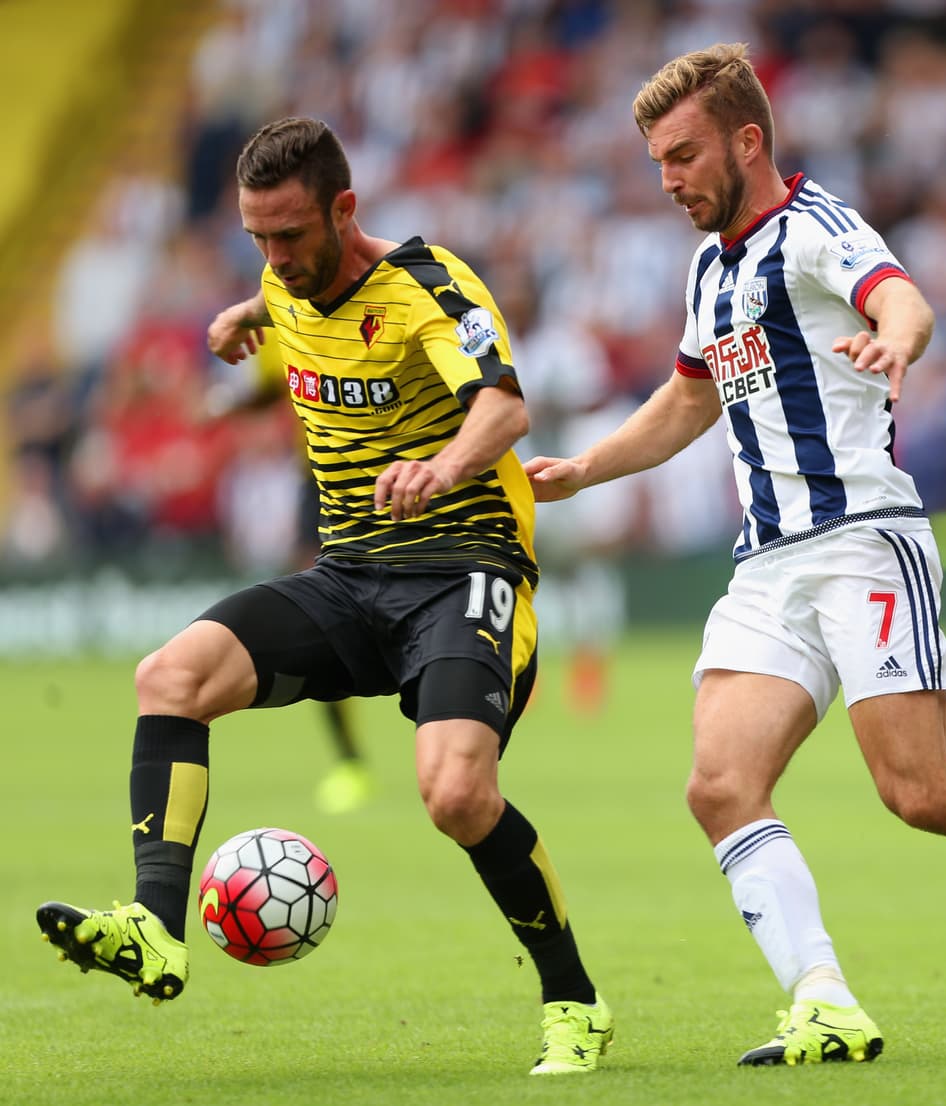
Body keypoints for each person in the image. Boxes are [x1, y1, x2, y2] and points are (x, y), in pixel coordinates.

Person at [524, 43, 946, 1068]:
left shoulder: (814, 228)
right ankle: (823, 998)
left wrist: (897, 340)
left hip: (861, 544)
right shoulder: (710, 265)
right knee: (718, 784)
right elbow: (689, 396)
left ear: (746, 140)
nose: (665, 179)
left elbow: (900, 297)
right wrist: (586, 466)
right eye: (655, 159)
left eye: (681, 154)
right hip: (766, 567)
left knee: (918, 791)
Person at [36, 116, 613, 1077]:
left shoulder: (434, 286)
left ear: (345, 211)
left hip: (463, 570)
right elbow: (291, 301)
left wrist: (442, 465)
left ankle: (575, 1003)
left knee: (457, 793)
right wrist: (239, 315)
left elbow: (505, 405)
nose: (274, 256)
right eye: (255, 238)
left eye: (291, 235)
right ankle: (154, 925)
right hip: (349, 576)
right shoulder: (281, 276)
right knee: (169, 676)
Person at [207, 327, 376, 814]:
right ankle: (349, 761)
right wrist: (229, 405)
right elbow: (272, 392)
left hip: (386, 469)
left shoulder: (375, 308)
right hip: (318, 477)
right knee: (324, 611)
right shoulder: (282, 322)